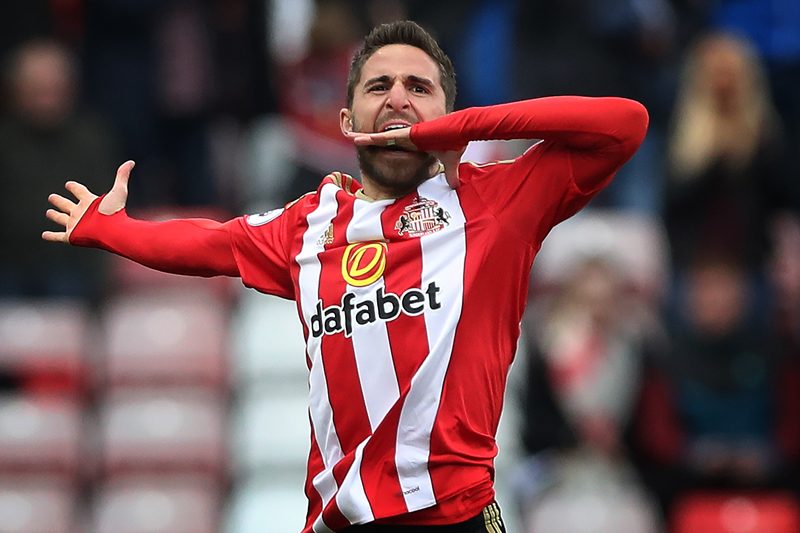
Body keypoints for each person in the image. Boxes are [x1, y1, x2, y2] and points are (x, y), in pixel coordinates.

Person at [42, 20, 648, 533]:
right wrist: (112, 230)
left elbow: (625, 124)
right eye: (379, 86)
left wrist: (470, 129)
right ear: (346, 117)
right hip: (338, 521)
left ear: (447, 113)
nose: (398, 99)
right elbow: (208, 243)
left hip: (453, 516)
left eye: (419, 88)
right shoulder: (309, 224)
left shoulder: (496, 204)